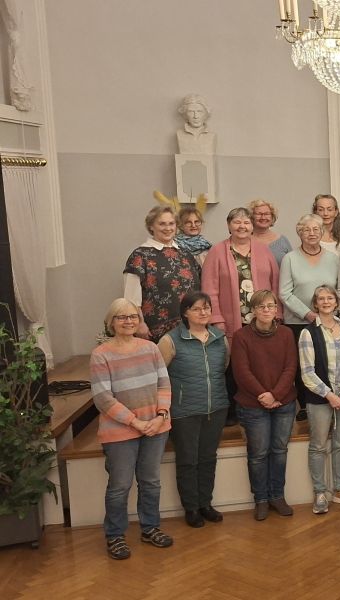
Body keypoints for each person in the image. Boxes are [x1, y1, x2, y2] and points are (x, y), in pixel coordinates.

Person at [91, 299, 173, 559]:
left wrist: (160, 416)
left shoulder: (150, 348)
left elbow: (164, 385)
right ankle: (115, 535)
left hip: (156, 427)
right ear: (111, 322)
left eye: (133, 317)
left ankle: (150, 528)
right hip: (120, 431)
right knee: (120, 486)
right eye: (121, 317)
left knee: (151, 482)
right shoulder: (101, 354)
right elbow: (103, 398)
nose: (128, 321)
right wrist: (135, 422)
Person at [159, 291, 228, 529]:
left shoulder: (220, 338)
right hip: (184, 411)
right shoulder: (170, 341)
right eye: (197, 309)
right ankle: (191, 508)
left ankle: (205, 504)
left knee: (208, 458)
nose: (203, 312)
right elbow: (159, 375)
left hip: (216, 408)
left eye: (207, 308)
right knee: (188, 460)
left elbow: (224, 367)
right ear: (185, 313)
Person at [230, 290, 298, 521]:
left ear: (276, 309)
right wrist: (263, 395)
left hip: (284, 402)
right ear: (253, 310)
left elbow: (291, 367)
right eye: (261, 306)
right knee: (258, 454)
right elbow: (241, 371)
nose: (267, 310)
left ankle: (277, 496)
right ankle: (260, 499)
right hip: (253, 405)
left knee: (279, 451)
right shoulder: (241, 336)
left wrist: (276, 394)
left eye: (271, 306)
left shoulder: (287, 334)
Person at [297, 285, 340, 514]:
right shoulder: (308, 333)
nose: (325, 302)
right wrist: (330, 396)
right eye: (321, 299)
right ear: (315, 304)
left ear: (336, 302)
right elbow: (307, 372)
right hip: (320, 399)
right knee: (317, 445)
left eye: (330, 298)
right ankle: (320, 492)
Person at [124, 205, 203, 341]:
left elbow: (198, 289)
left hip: (189, 328)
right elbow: (131, 298)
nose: (168, 228)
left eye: (171, 223)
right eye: (162, 224)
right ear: (151, 226)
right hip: (155, 331)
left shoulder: (186, 254)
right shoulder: (140, 256)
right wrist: (139, 324)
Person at [202, 207, 280, 335]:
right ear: (229, 225)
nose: (242, 226)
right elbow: (209, 289)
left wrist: (277, 312)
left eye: (246, 222)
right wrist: (216, 317)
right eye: (237, 222)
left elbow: (275, 284)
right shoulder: (216, 251)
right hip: (229, 319)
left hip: (263, 317)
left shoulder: (264, 250)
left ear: (252, 226)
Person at [280, 214, 339, 328]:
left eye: (316, 229)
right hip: (297, 323)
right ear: (300, 234)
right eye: (306, 230)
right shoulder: (289, 258)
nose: (312, 233)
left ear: (322, 232)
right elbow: (284, 293)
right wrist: (308, 314)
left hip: (328, 320)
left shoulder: (333, 259)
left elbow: (338, 290)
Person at [248, 199, 293, 265]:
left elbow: (292, 266)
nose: (263, 217)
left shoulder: (283, 240)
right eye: (259, 214)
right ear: (251, 217)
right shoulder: (244, 240)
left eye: (267, 214)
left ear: (272, 217)